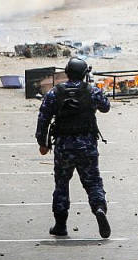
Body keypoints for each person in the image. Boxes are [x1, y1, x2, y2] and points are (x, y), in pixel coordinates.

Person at [36, 58, 112, 239]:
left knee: (61, 184)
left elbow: (43, 118)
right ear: (85, 74)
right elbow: (106, 107)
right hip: (87, 147)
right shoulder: (92, 91)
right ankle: (99, 208)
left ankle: (60, 225)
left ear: (67, 73)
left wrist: (42, 142)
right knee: (93, 182)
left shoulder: (55, 93)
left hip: (64, 146)